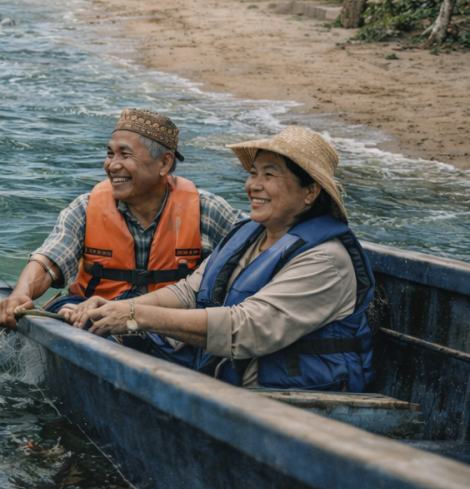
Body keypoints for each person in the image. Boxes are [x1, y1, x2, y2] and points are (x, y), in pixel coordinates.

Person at [64, 126, 377, 392]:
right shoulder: (250, 234)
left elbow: (245, 329)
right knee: (98, 331)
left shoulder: (325, 261)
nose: (253, 186)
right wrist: (116, 309)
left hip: (289, 397)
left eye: (269, 175)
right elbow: (188, 292)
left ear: (310, 191)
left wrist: (135, 316)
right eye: (253, 174)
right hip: (226, 377)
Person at [0, 108, 241, 329]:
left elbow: (258, 248)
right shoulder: (85, 207)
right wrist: (21, 294)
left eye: (125, 155)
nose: (112, 165)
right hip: (86, 313)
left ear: (164, 163)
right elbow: (50, 259)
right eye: (110, 154)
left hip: (167, 324)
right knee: (69, 313)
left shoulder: (207, 210)